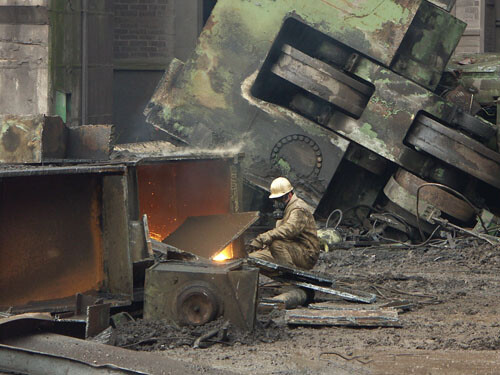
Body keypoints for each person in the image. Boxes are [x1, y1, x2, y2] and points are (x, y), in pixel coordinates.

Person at [248, 177, 320, 270]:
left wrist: (263, 238)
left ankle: (290, 276)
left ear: (289, 195)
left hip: (306, 254)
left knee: (276, 244)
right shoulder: (285, 211)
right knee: (251, 259)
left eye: (279, 199)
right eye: (275, 200)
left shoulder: (298, 209)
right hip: (289, 249)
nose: (277, 203)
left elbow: (290, 230)